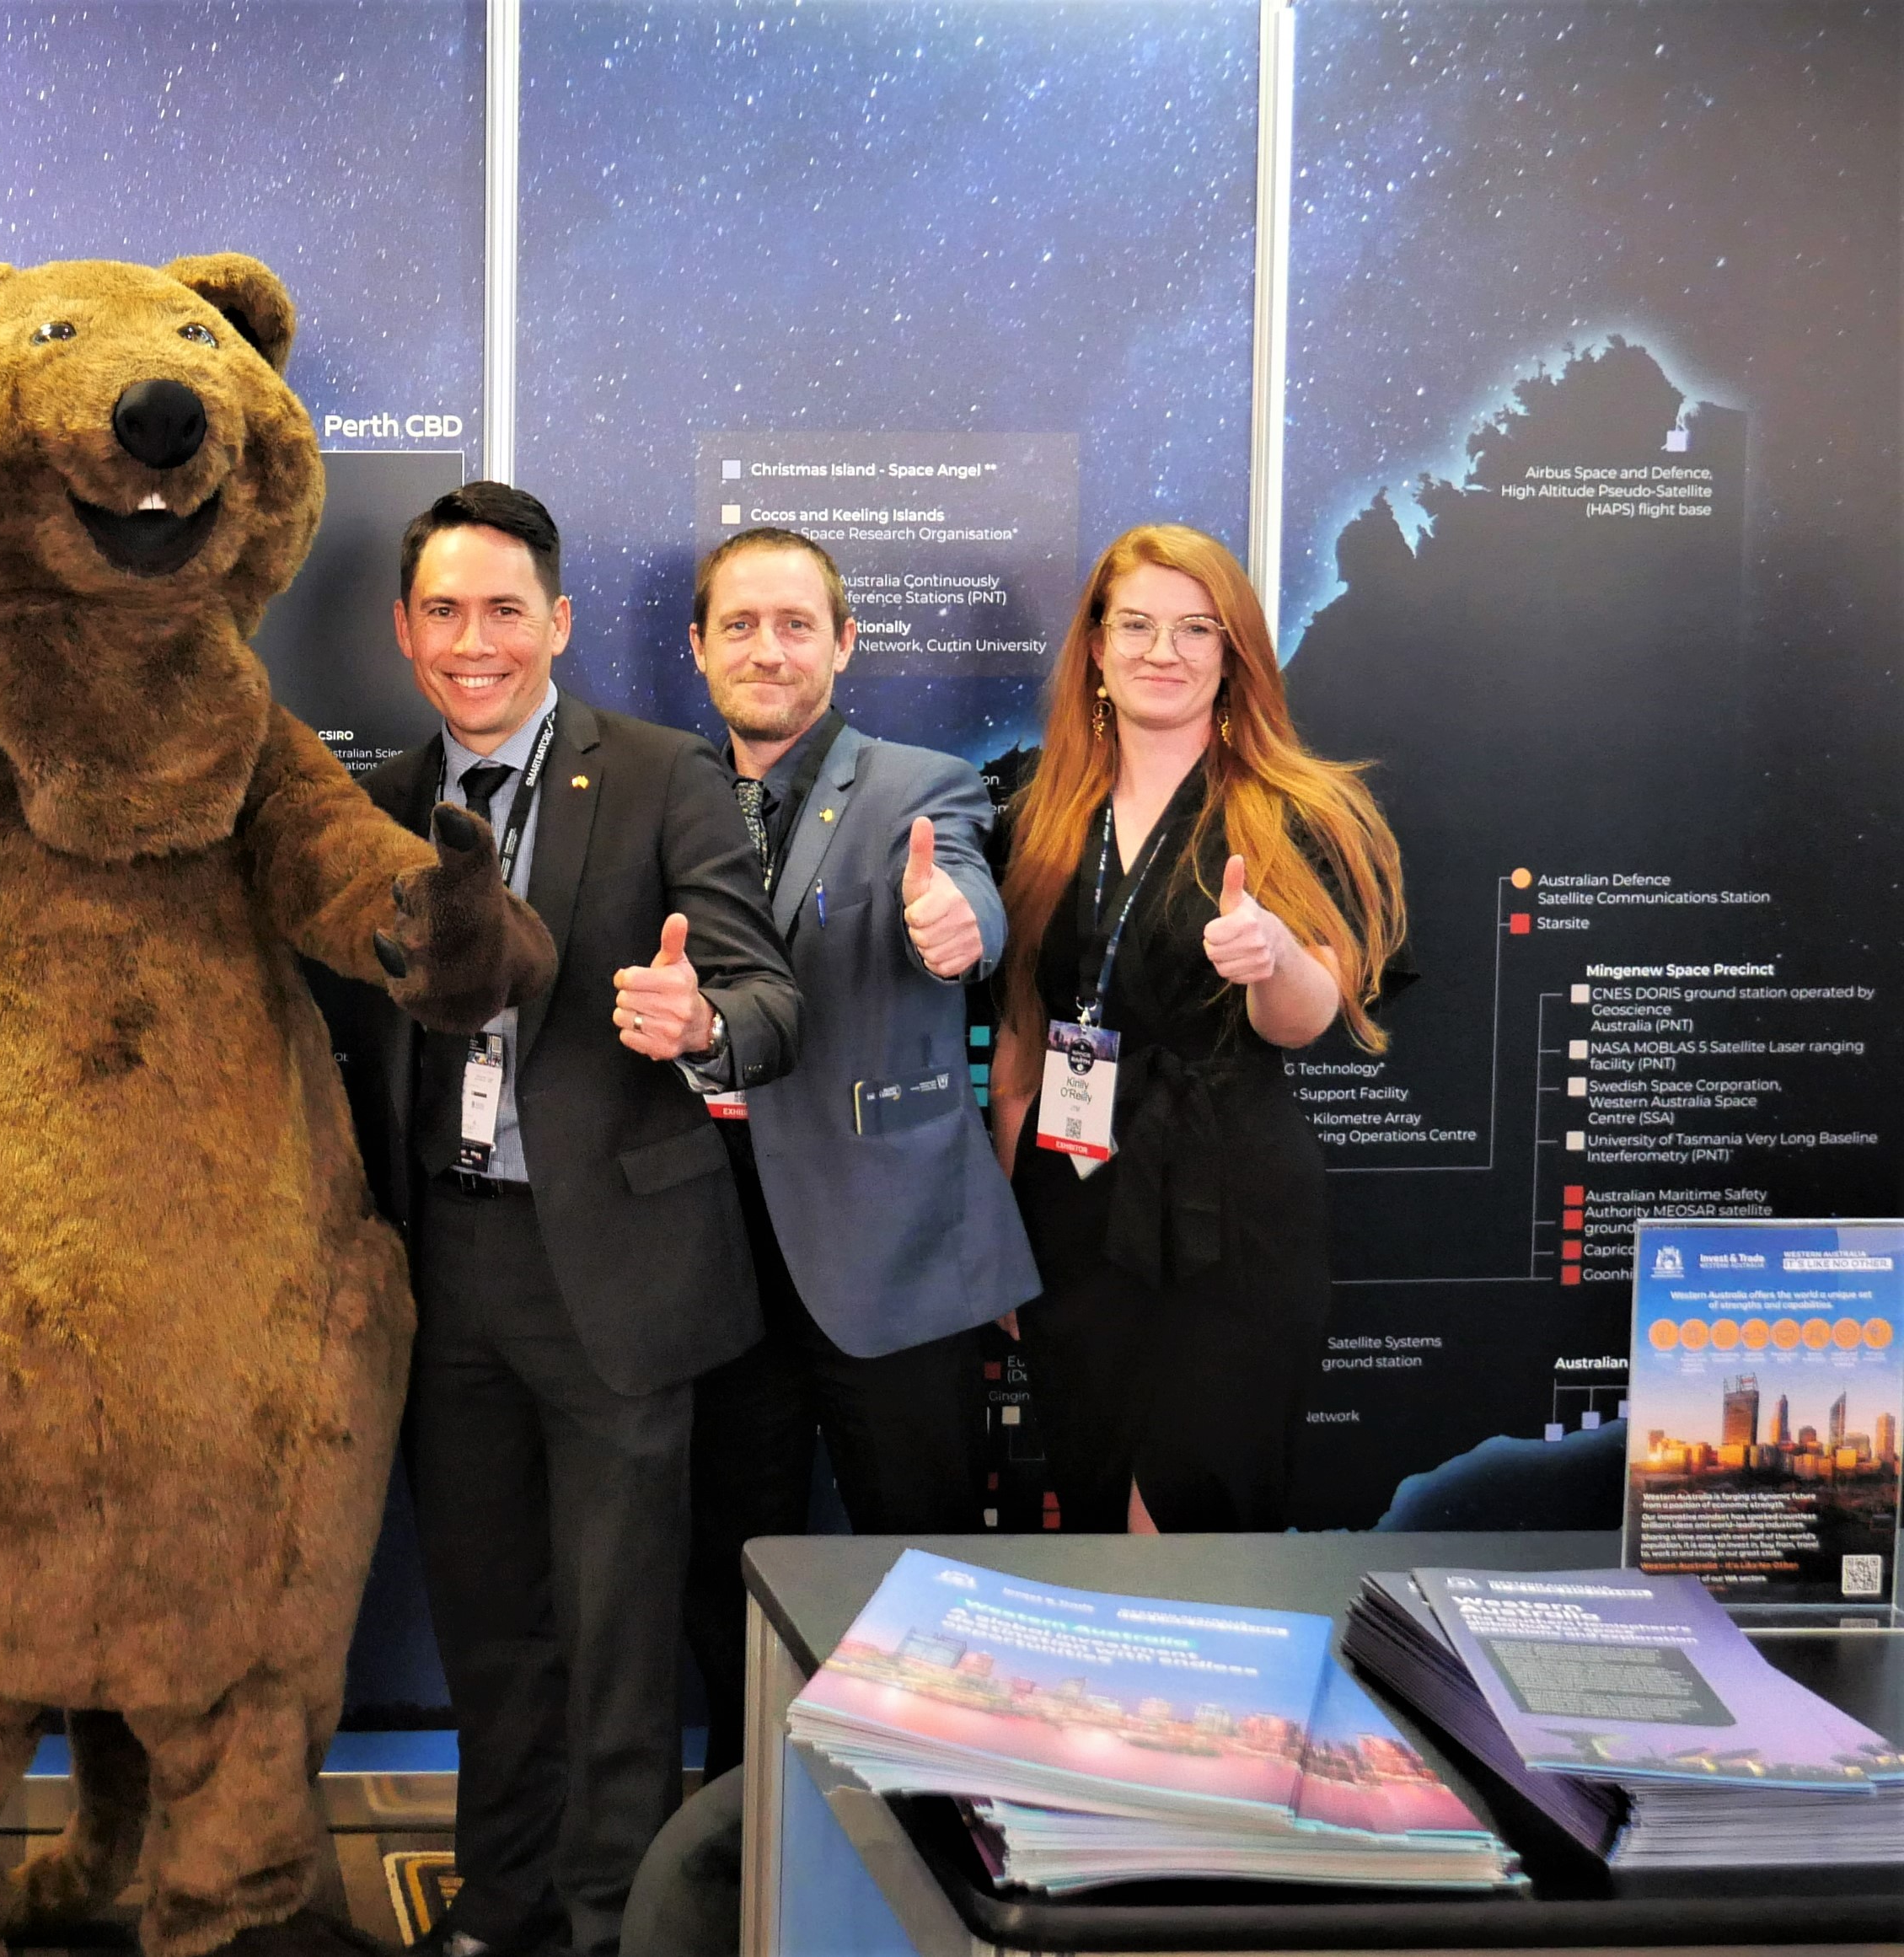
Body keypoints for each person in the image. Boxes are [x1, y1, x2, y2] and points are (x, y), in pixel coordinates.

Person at [325, 483, 802, 1957]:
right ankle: (503, 1896)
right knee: (488, 1622)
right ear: (407, 630)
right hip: (445, 1263)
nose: (476, 642)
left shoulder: (660, 777)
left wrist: (697, 1022)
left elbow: (770, 1002)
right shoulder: (377, 805)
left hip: (613, 1274)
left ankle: (604, 1918)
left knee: (611, 1636)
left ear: (560, 624)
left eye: (505, 610)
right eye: (445, 612)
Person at [677, 528, 1038, 1779]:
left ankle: (932, 1844)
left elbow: (969, 904)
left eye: (794, 624)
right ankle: (738, 1849)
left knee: (920, 1584)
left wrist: (954, 927)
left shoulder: (920, 784)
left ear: (843, 642)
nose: (767, 649)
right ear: (699, 647)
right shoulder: (670, 791)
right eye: (740, 625)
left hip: (888, 1252)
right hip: (715, 1260)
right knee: (731, 1581)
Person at [988, 523, 1407, 1534]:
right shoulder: (1033, 810)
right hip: (1075, 1204)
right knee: (1093, 1501)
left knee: (1179, 1514)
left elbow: (1309, 1021)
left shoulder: (1298, 808)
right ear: (1095, 648)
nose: (1161, 652)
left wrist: (1274, 959)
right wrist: (1005, 1235)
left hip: (1235, 1216)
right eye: (1135, 624)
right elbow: (1020, 1041)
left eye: (1194, 629)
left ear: (1233, 655)